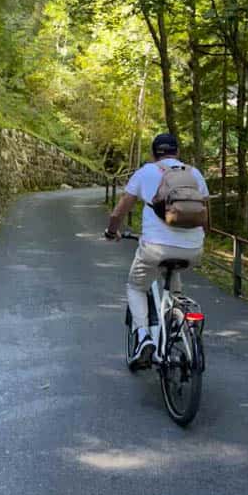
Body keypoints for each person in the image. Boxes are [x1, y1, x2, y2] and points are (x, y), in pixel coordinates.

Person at [104, 133, 209, 367]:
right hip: (193, 248)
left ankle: (143, 337)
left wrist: (112, 232)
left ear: (153, 154)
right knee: (173, 284)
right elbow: (205, 216)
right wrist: (200, 241)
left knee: (136, 286)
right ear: (177, 152)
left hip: (155, 249)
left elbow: (118, 212)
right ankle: (179, 322)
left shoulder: (145, 173)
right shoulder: (194, 174)